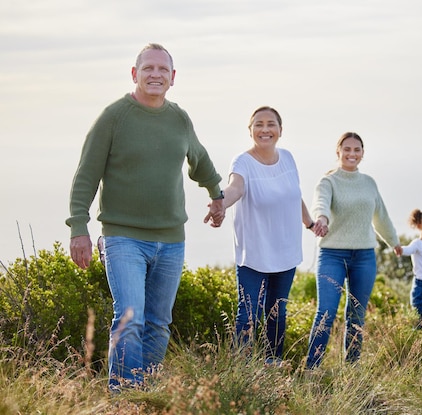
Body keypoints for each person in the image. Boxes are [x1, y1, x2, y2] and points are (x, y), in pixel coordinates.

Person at [66, 43, 225, 391]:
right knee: (130, 319)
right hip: (123, 237)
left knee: (158, 324)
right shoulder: (114, 116)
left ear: (173, 77)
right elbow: (86, 175)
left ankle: (145, 394)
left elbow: (200, 160)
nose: (156, 75)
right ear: (135, 73)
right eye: (148, 69)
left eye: (162, 70)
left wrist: (217, 196)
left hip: (171, 240)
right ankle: (123, 397)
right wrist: (79, 227)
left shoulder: (179, 118)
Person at [205, 106, 319, 365]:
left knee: (277, 313)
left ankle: (273, 365)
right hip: (254, 253)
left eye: (270, 124)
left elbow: (294, 195)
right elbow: (236, 188)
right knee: (248, 315)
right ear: (250, 130)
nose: (265, 129)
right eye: (258, 124)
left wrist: (310, 223)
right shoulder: (242, 161)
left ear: (280, 130)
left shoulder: (288, 158)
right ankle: (241, 370)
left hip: (285, 251)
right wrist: (220, 203)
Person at [306, 132, 402, 369]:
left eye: (356, 150)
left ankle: (351, 369)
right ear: (338, 152)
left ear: (362, 153)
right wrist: (322, 219)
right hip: (332, 254)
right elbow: (321, 204)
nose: (352, 154)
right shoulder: (328, 182)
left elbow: (381, 216)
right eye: (347, 149)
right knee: (326, 313)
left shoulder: (369, 182)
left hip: (364, 256)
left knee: (357, 314)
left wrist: (394, 242)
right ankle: (311, 369)